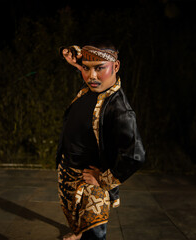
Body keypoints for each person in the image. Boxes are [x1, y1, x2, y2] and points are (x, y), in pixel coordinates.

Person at [57, 40, 145, 240]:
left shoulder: (121, 109)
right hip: (68, 167)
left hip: (91, 179)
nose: (91, 76)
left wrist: (103, 179)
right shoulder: (92, 87)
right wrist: (80, 63)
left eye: (99, 68)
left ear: (116, 66)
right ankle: (78, 232)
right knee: (73, 214)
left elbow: (135, 155)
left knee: (94, 234)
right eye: (86, 69)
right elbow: (90, 73)